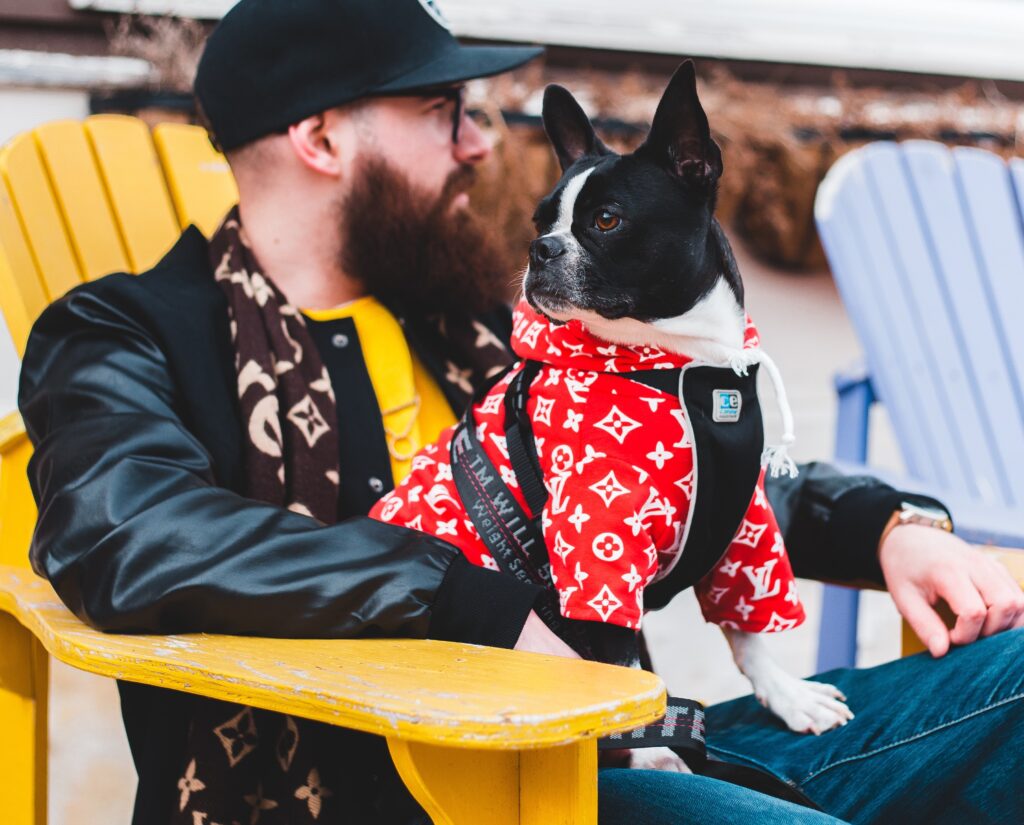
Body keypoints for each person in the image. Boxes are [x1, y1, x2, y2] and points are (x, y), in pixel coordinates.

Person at [16, 1, 1023, 823]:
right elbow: (129, 533)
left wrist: (884, 529)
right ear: (322, 137)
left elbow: (675, 473)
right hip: (412, 794)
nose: (478, 146)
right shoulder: (128, 333)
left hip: (625, 752)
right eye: (443, 111)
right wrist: (470, 606)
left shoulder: (490, 325)